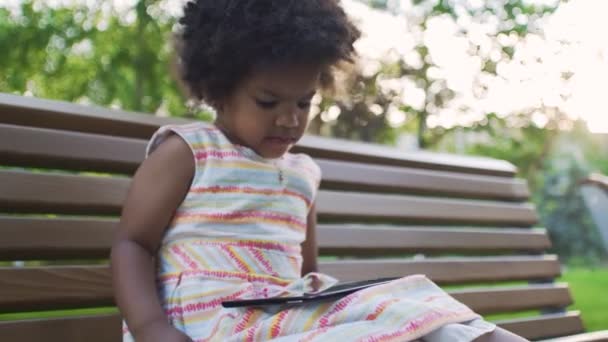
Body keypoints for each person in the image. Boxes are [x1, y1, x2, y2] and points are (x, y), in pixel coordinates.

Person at [111, 1, 528, 341]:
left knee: (413, 309)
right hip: (211, 325)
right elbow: (133, 244)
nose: (290, 120)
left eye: (303, 103)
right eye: (269, 102)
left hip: (284, 319)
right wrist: (151, 328)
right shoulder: (189, 154)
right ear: (218, 88)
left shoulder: (301, 174)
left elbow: (305, 277)